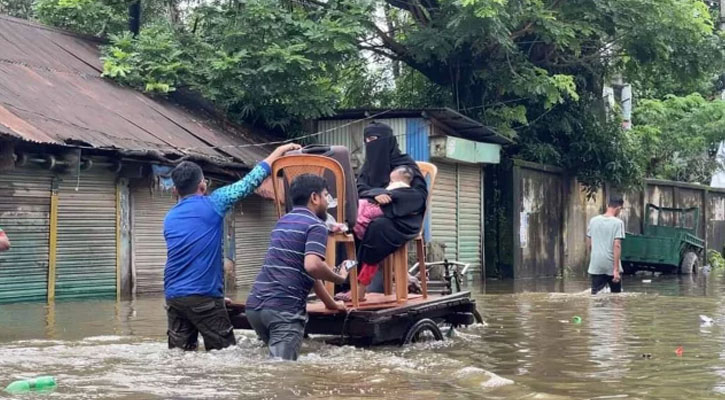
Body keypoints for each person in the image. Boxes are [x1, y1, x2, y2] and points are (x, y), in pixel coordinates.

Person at [163, 143, 300, 351]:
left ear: (175, 190)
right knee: (224, 355)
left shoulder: (169, 217)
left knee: (180, 357)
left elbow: (189, 257)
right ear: (203, 185)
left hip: (174, 298)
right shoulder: (214, 202)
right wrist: (280, 151)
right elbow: (251, 181)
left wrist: (216, 295)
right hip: (203, 298)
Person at [246, 174, 349, 361]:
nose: (327, 202)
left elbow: (309, 275)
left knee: (272, 366)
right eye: (326, 196)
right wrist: (339, 278)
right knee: (282, 374)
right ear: (314, 198)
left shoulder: (282, 222)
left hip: (255, 307)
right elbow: (313, 266)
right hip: (283, 309)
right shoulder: (316, 225)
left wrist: (332, 304)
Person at [338, 122, 428, 301]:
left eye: (374, 139)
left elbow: (418, 196)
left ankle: (361, 287)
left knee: (378, 227)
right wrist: (376, 193)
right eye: (366, 140)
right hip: (370, 214)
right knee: (344, 227)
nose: (370, 144)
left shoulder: (405, 164)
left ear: (387, 141)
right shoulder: (368, 167)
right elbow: (359, 188)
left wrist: (390, 197)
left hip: (402, 219)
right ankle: (344, 283)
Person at [353, 165, 414, 240]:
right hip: (383, 210)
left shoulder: (398, 186)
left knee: (361, 206)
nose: (390, 183)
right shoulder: (409, 192)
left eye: (392, 181)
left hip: (382, 209)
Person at [587, 197, 626, 295]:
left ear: (608, 206)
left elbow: (590, 244)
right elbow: (617, 245)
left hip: (596, 265)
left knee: (596, 296)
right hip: (611, 265)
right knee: (616, 298)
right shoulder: (618, 223)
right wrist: (616, 270)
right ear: (618, 208)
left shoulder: (593, 221)